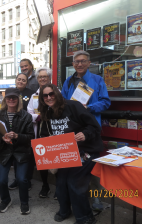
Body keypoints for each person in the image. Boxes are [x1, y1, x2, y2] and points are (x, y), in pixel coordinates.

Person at [38, 84, 103, 224]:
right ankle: (65, 211)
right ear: (42, 99)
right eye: (45, 95)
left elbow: (94, 126)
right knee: (61, 184)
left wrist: (85, 134)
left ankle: (85, 218)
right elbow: (44, 136)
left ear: (57, 93)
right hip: (64, 154)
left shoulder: (73, 106)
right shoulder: (47, 114)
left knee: (74, 183)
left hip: (85, 151)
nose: (49, 97)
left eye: (51, 94)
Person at [61, 50, 110, 211]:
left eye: (82, 61)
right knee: (75, 166)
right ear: (73, 64)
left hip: (90, 130)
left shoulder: (97, 80)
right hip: (73, 131)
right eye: (76, 62)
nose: (79, 64)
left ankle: (97, 198)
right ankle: (78, 199)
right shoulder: (68, 82)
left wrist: (88, 107)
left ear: (89, 63)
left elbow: (105, 102)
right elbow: (62, 103)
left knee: (93, 165)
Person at [0, 88, 35, 215]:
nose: (11, 100)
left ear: (18, 99)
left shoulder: (26, 116)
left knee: (22, 179)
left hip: (21, 152)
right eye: (9, 97)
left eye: (14, 97)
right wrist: (1, 138)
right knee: (1, 180)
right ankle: (5, 200)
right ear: (5, 99)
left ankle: (24, 202)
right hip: (5, 152)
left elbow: (31, 137)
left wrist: (17, 136)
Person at [26, 67, 55, 197]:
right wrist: (39, 117)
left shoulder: (57, 92)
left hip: (54, 130)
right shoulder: (34, 96)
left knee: (57, 159)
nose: (42, 79)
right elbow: (29, 114)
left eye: (45, 76)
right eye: (40, 77)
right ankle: (45, 185)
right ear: (37, 79)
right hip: (40, 131)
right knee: (42, 160)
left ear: (49, 78)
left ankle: (59, 188)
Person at [8, 73, 35, 190]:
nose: (21, 81)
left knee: (27, 155)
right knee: (15, 155)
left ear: (27, 82)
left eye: (23, 80)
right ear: (16, 80)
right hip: (13, 127)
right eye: (19, 79)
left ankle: (27, 180)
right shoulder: (10, 92)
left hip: (26, 127)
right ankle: (16, 179)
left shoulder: (31, 94)